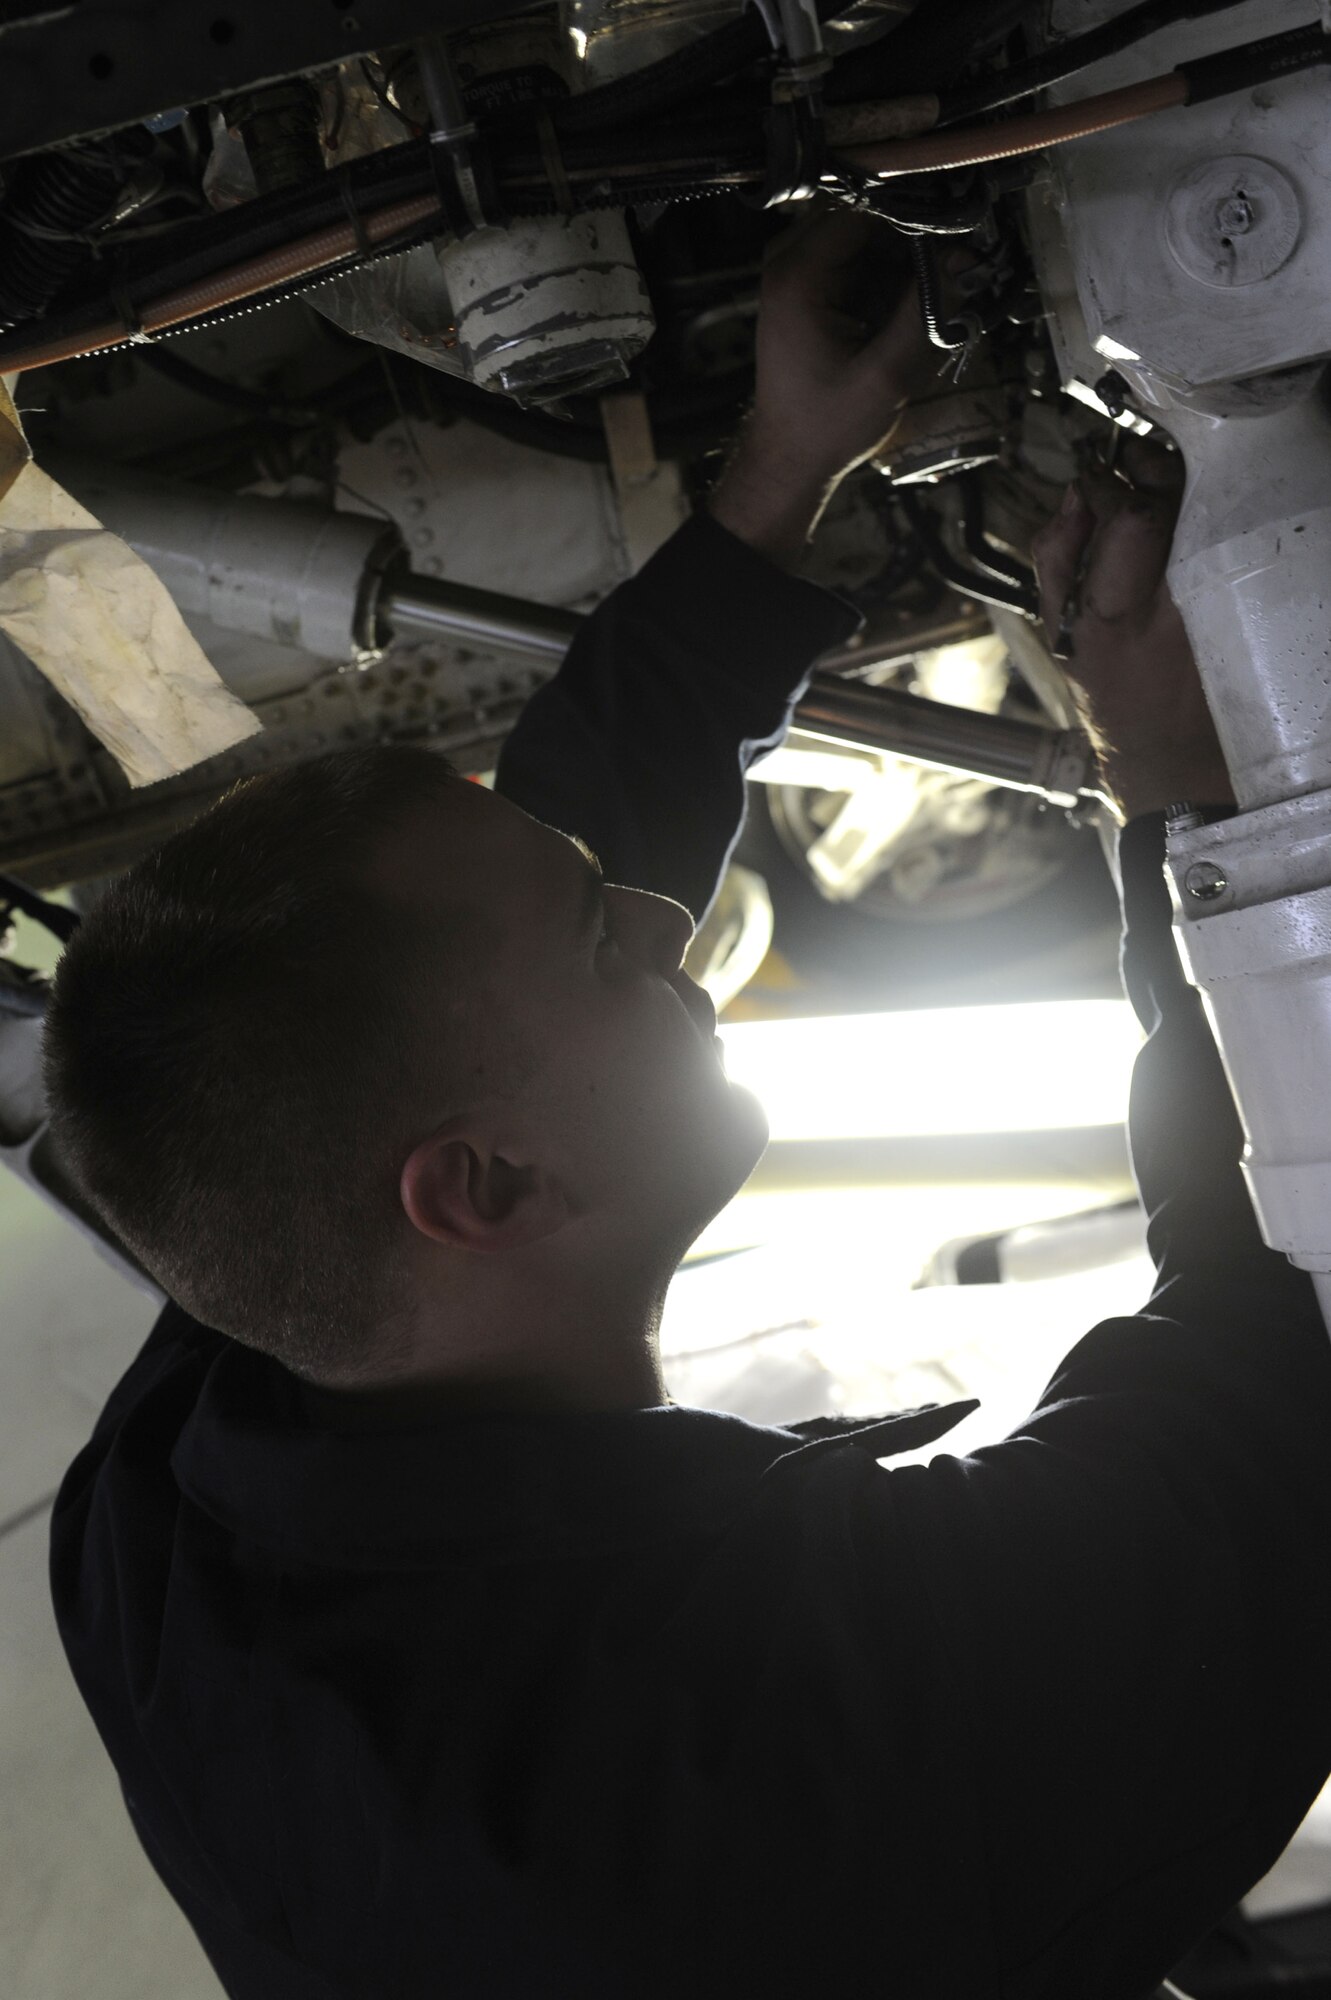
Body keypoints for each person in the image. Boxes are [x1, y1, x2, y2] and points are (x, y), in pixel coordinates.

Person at [40, 207, 1331, 2000]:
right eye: (599, 947)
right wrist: (1177, 796)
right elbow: (1288, 1347)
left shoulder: (193, 1477)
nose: (668, 932)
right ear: (479, 1186)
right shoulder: (793, 1759)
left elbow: (528, 885)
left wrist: (780, 476)